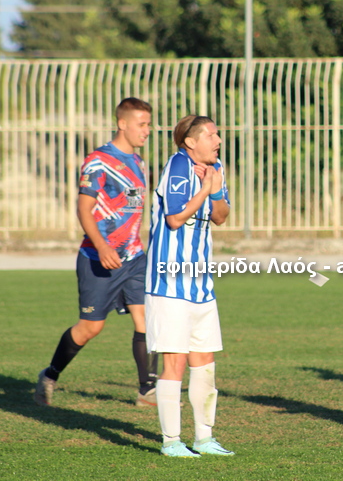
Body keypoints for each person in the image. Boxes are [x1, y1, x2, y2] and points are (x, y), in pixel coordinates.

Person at [34, 97, 158, 407]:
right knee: (90, 328)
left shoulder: (139, 162)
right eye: (142, 124)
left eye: (149, 124)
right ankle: (50, 375)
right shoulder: (98, 161)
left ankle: (147, 391)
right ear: (122, 124)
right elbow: (84, 208)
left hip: (134, 258)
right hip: (98, 258)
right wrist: (102, 246)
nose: (147, 130)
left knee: (147, 319)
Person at [144, 115, 233, 458]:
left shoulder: (215, 167)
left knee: (205, 361)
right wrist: (205, 190)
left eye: (217, 134)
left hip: (200, 283)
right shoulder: (178, 165)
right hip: (169, 283)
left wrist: (216, 187)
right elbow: (174, 218)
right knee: (175, 362)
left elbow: (220, 216)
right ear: (191, 142)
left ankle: (204, 439)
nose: (218, 140)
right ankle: (171, 442)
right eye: (211, 135)